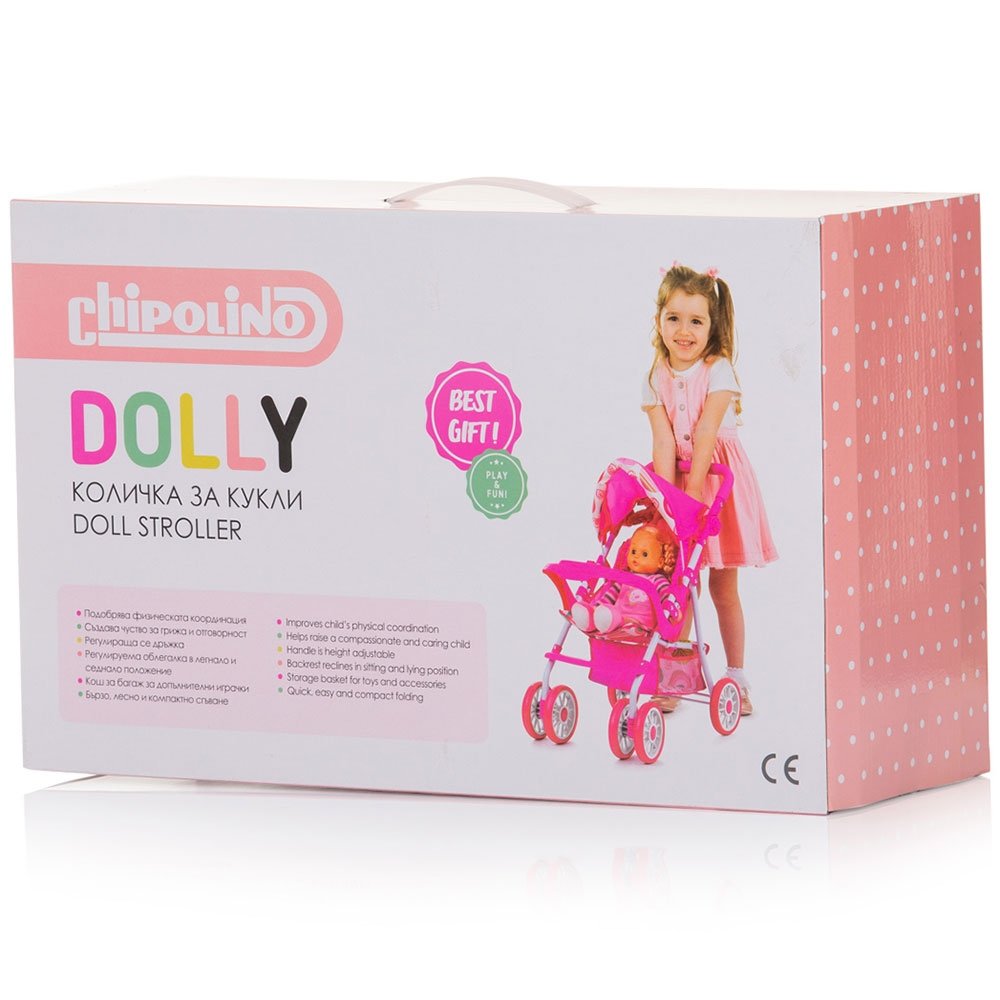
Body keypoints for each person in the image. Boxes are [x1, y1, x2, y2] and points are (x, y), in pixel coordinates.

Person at [640, 264, 777, 714]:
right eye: (674, 318)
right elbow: (663, 441)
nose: (684, 331)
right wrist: (668, 502)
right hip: (681, 479)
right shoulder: (655, 375)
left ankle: (737, 678)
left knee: (723, 587)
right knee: (680, 584)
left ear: (711, 325)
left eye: (696, 321)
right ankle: (675, 679)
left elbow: (706, 433)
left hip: (718, 483)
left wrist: (695, 493)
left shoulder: (718, 370)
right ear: (659, 320)